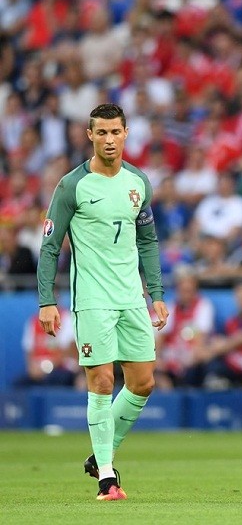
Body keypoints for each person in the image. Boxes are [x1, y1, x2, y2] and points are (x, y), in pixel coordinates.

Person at [37, 104, 169, 501]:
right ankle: (107, 478)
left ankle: (99, 454)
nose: (109, 139)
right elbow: (48, 247)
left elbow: (147, 240)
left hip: (131, 297)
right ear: (90, 135)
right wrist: (47, 300)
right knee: (102, 382)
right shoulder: (72, 185)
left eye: (116, 132)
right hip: (92, 298)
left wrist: (157, 294)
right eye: (102, 133)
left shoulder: (139, 183)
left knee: (143, 382)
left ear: (126, 133)